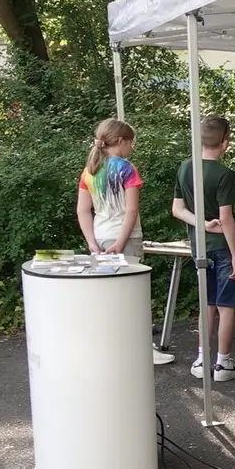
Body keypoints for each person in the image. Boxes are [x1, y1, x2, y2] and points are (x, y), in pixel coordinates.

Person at [77, 118, 173, 366]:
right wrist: (121, 242)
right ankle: (142, 350)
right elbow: (131, 210)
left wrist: (91, 243)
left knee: (108, 296)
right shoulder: (126, 168)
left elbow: (83, 210)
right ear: (121, 141)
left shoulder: (90, 170)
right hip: (125, 238)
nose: (132, 147)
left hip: (100, 237)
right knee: (134, 296)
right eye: (131, 143)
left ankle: (112, 349)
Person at [172, 115, 235, 382]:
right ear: (225, 142)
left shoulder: (185, 167)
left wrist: (202, 224)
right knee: (226, 306)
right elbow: (226, 219)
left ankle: (202, 359)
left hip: (200, 246)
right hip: (224, 247)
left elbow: (177, 209)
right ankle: (223, 363)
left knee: (208, 304)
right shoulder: (225, 174)